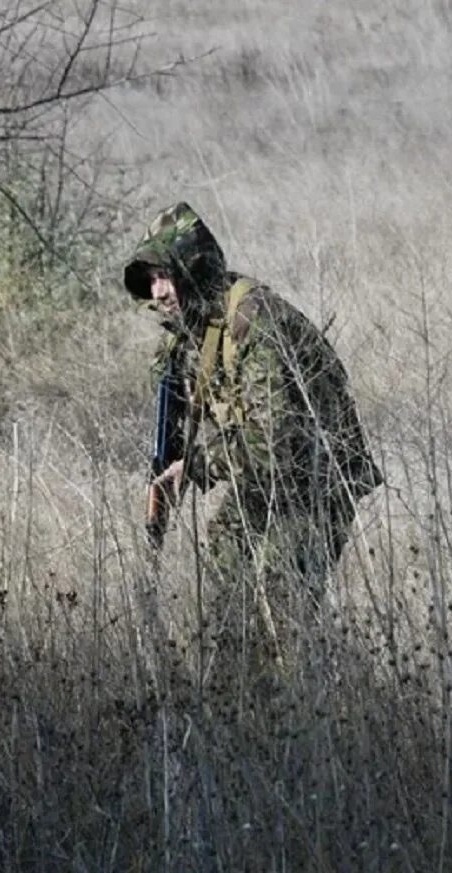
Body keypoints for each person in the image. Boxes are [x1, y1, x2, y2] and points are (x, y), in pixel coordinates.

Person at [123, 202, 383, 682]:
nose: (158, 292)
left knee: (282, 600)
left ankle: (308, 719)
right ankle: (238, 713)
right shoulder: (192, 329)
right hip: (264, 477)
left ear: (192, 268)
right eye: (151, 280)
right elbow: (179, 422)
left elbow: (274, 442)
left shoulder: (253, 319)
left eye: (165, 275)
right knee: (226, 588)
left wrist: (197, 467)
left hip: (316, 478)